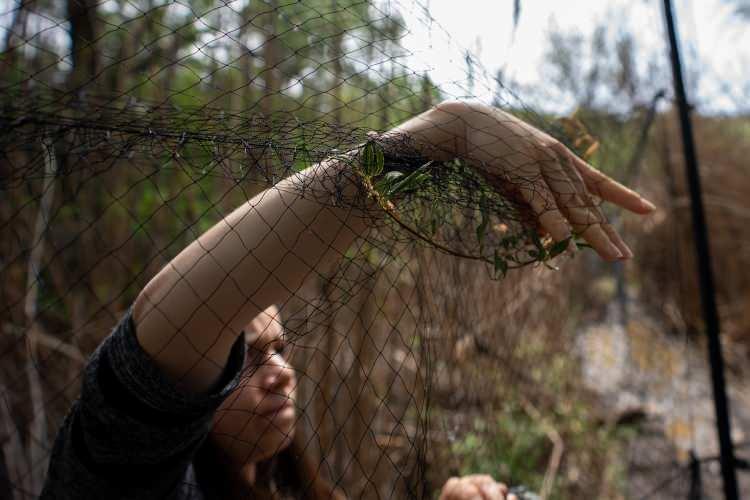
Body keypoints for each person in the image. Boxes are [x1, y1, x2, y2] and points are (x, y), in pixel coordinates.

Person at [40, 100, 655, 499]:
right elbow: (162, 330)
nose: (280, 374)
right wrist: (442, 135)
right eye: (242, 361)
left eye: (279, 350)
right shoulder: (127, 478)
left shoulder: (295, 485)